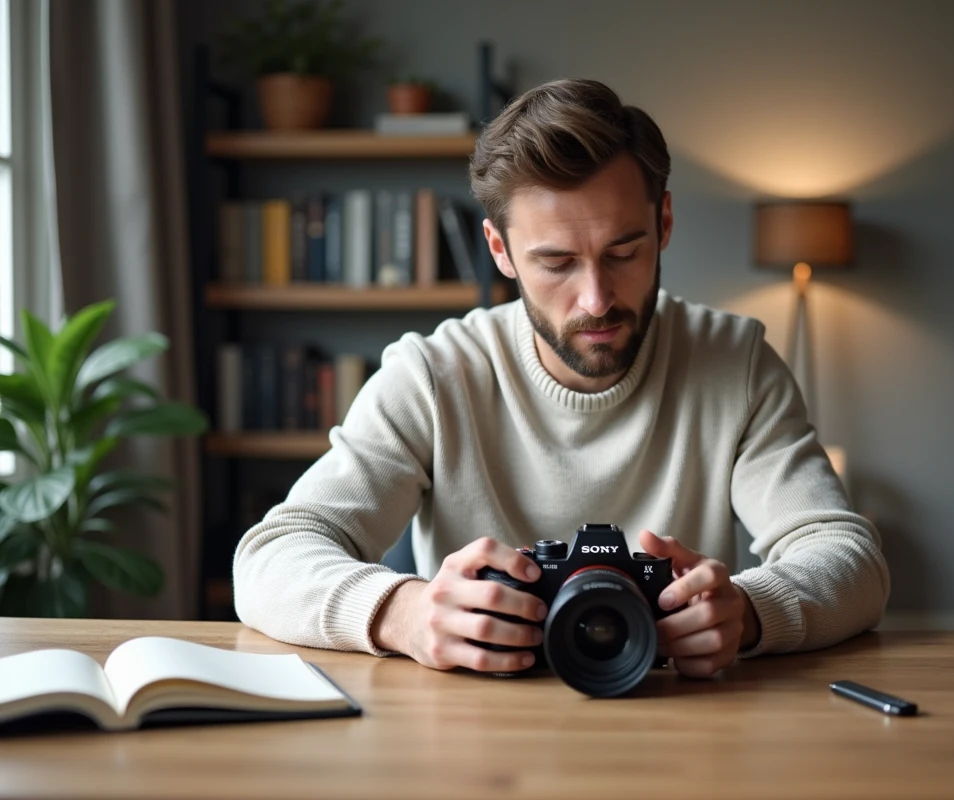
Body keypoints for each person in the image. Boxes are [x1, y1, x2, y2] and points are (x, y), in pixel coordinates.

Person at [233, 78, 890, 679]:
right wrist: (401, 612)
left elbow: (849, 558)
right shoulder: (434, 374)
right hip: (471, 742)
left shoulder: (735, 363)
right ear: (500, 250)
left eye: (623, 252)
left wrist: (748, 610)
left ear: (663, 224)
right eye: (556, 263)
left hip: (682, 730)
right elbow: (269, 557)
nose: (596, 299)